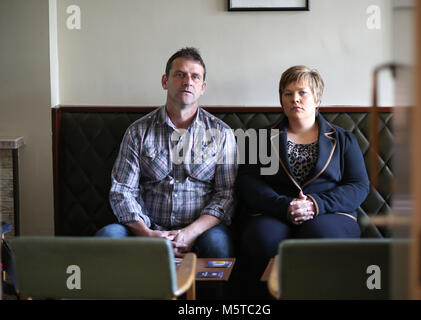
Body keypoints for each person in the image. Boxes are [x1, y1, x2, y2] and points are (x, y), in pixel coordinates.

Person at [236, 65, 370, 293]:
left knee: (321, 237)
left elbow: (358, 186)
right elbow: (248, 182)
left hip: (330, 214)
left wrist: (315, 205)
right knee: (262, 238)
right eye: (287, 94)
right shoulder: (260, 138)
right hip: (274, 212)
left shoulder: (343, 139)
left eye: (302, 92)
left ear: (317, 98)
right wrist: (284, 205)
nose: (294, 99)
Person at [96, 47, 238, 258]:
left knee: (218, 246)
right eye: (180, 74)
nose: (187, 81)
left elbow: (226, 195)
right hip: (145, 228)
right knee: (106, 237)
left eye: (195, 77)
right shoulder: (138, 132)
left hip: (201, 231)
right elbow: (122, 191)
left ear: (202, 87)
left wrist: (190, 233)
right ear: (165, 81)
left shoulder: (222, 134)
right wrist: (148, 234)